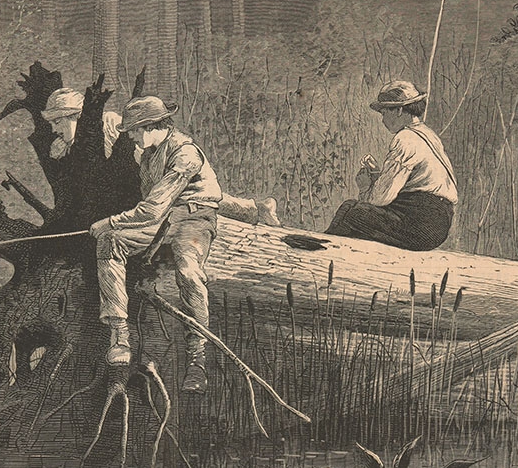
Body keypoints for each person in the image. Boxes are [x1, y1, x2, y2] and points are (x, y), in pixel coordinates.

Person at [88, 96, 221, 393]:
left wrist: (109, 222)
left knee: (188, 273)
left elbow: (152, 208)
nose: (132, 136)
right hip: (162, 224)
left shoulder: (186, 154)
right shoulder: (148, 152)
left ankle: (197, 359)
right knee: (111, 244)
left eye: (134, 130)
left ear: (149, 126)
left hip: (193, 220)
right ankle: (119, 335)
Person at [41, 87, 280, 225]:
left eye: (59, 121)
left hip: (147, 179)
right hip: (132, 191)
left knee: (197, 196)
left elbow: (138, 151)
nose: (55, 128)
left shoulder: (111, 123)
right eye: (53, 122)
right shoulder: (66, 146)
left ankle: (255, 209)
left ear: (79, 117)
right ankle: (255, 208)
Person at [324, 80, 457, 251]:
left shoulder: (406, 139)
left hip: (421, 224)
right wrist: (378, 175)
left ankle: (323, 252)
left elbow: (380, 198)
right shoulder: (428, 135)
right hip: (438, 221)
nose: (383, 120)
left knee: (351, 212)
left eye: (384, 113)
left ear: (399, 110)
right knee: (358, 218)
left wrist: (366, 188)